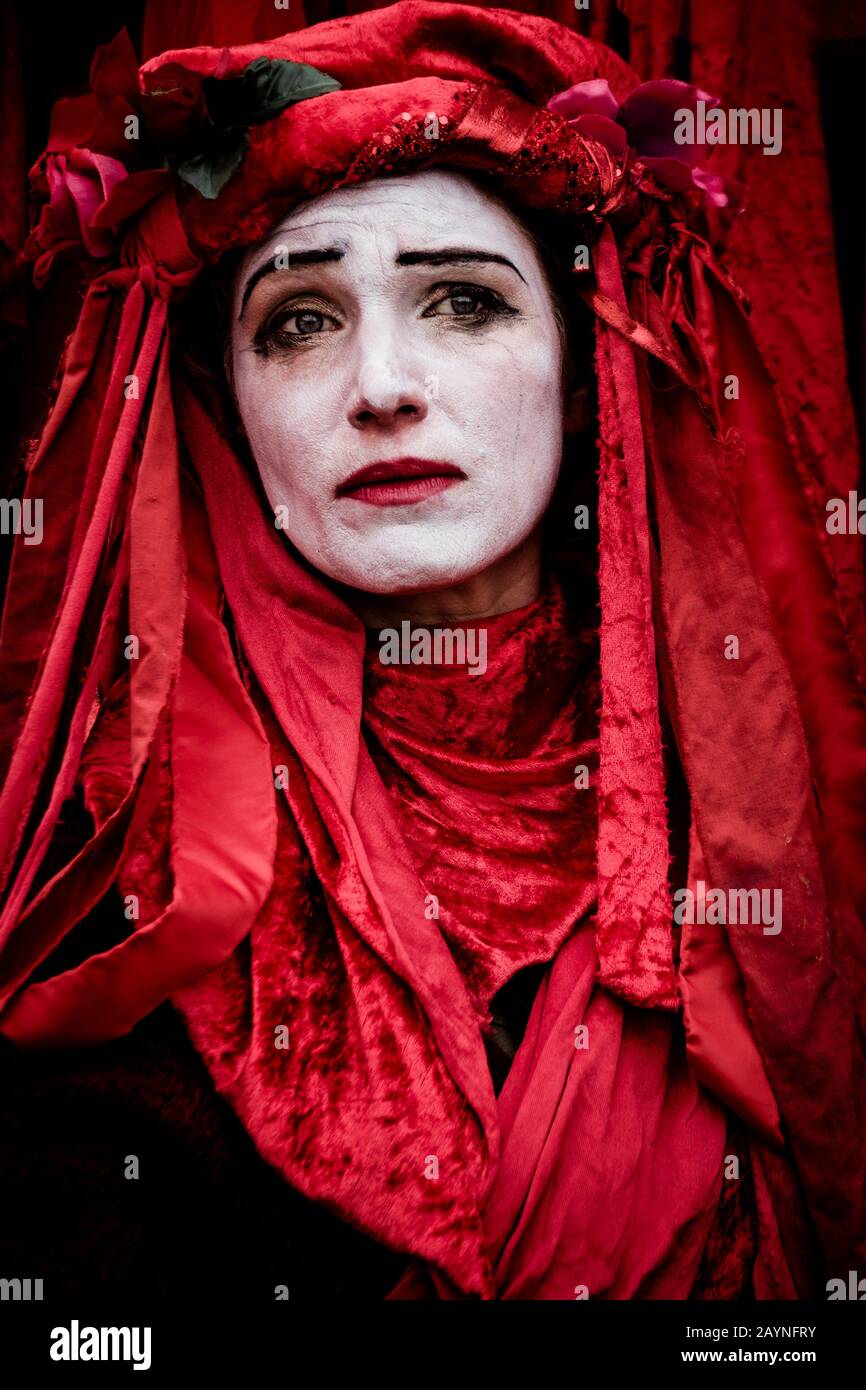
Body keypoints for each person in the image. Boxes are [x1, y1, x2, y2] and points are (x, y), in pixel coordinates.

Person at [0, 0, 863, 1301]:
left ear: (583, 376)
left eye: (461, 302)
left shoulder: (774, 862)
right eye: (298, 320)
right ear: (224, 411)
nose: (383, 384)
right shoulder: (127, 909)